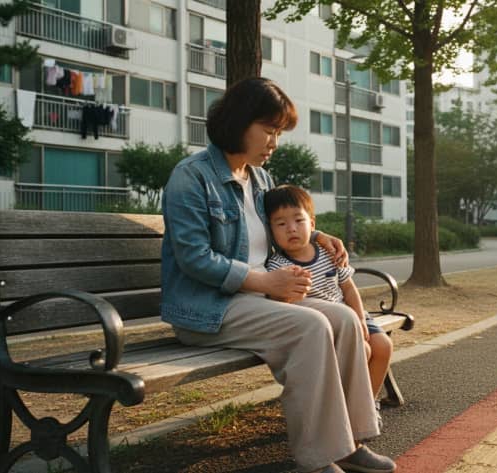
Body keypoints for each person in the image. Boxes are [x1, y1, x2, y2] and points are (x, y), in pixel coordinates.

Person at [160, 77, 396, 473]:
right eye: (268, 131)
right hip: (209, 307)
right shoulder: (191, 177)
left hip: (259, 301)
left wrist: (317, 235)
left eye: (278, 133)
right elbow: (193, 258)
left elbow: (280, 226)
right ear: (239, 123)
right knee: (312, 326)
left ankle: (348, 443)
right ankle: (316, 459)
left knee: (344, 319)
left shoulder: (260, 179)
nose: (274, 142)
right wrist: (263, 282)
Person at [263, 185, 394, 428]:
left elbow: (349, 288)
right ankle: (345, 413)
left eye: (298, 220)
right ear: (271, 231)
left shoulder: (327, 251)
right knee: (363, 351)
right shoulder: (279, 265)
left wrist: (361, 320)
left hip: (351, 313)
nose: (291, 228)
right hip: (325, 326)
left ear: (312, 225)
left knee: (382, 345)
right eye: (280, 224)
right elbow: (283, 303)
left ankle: (369, 403)